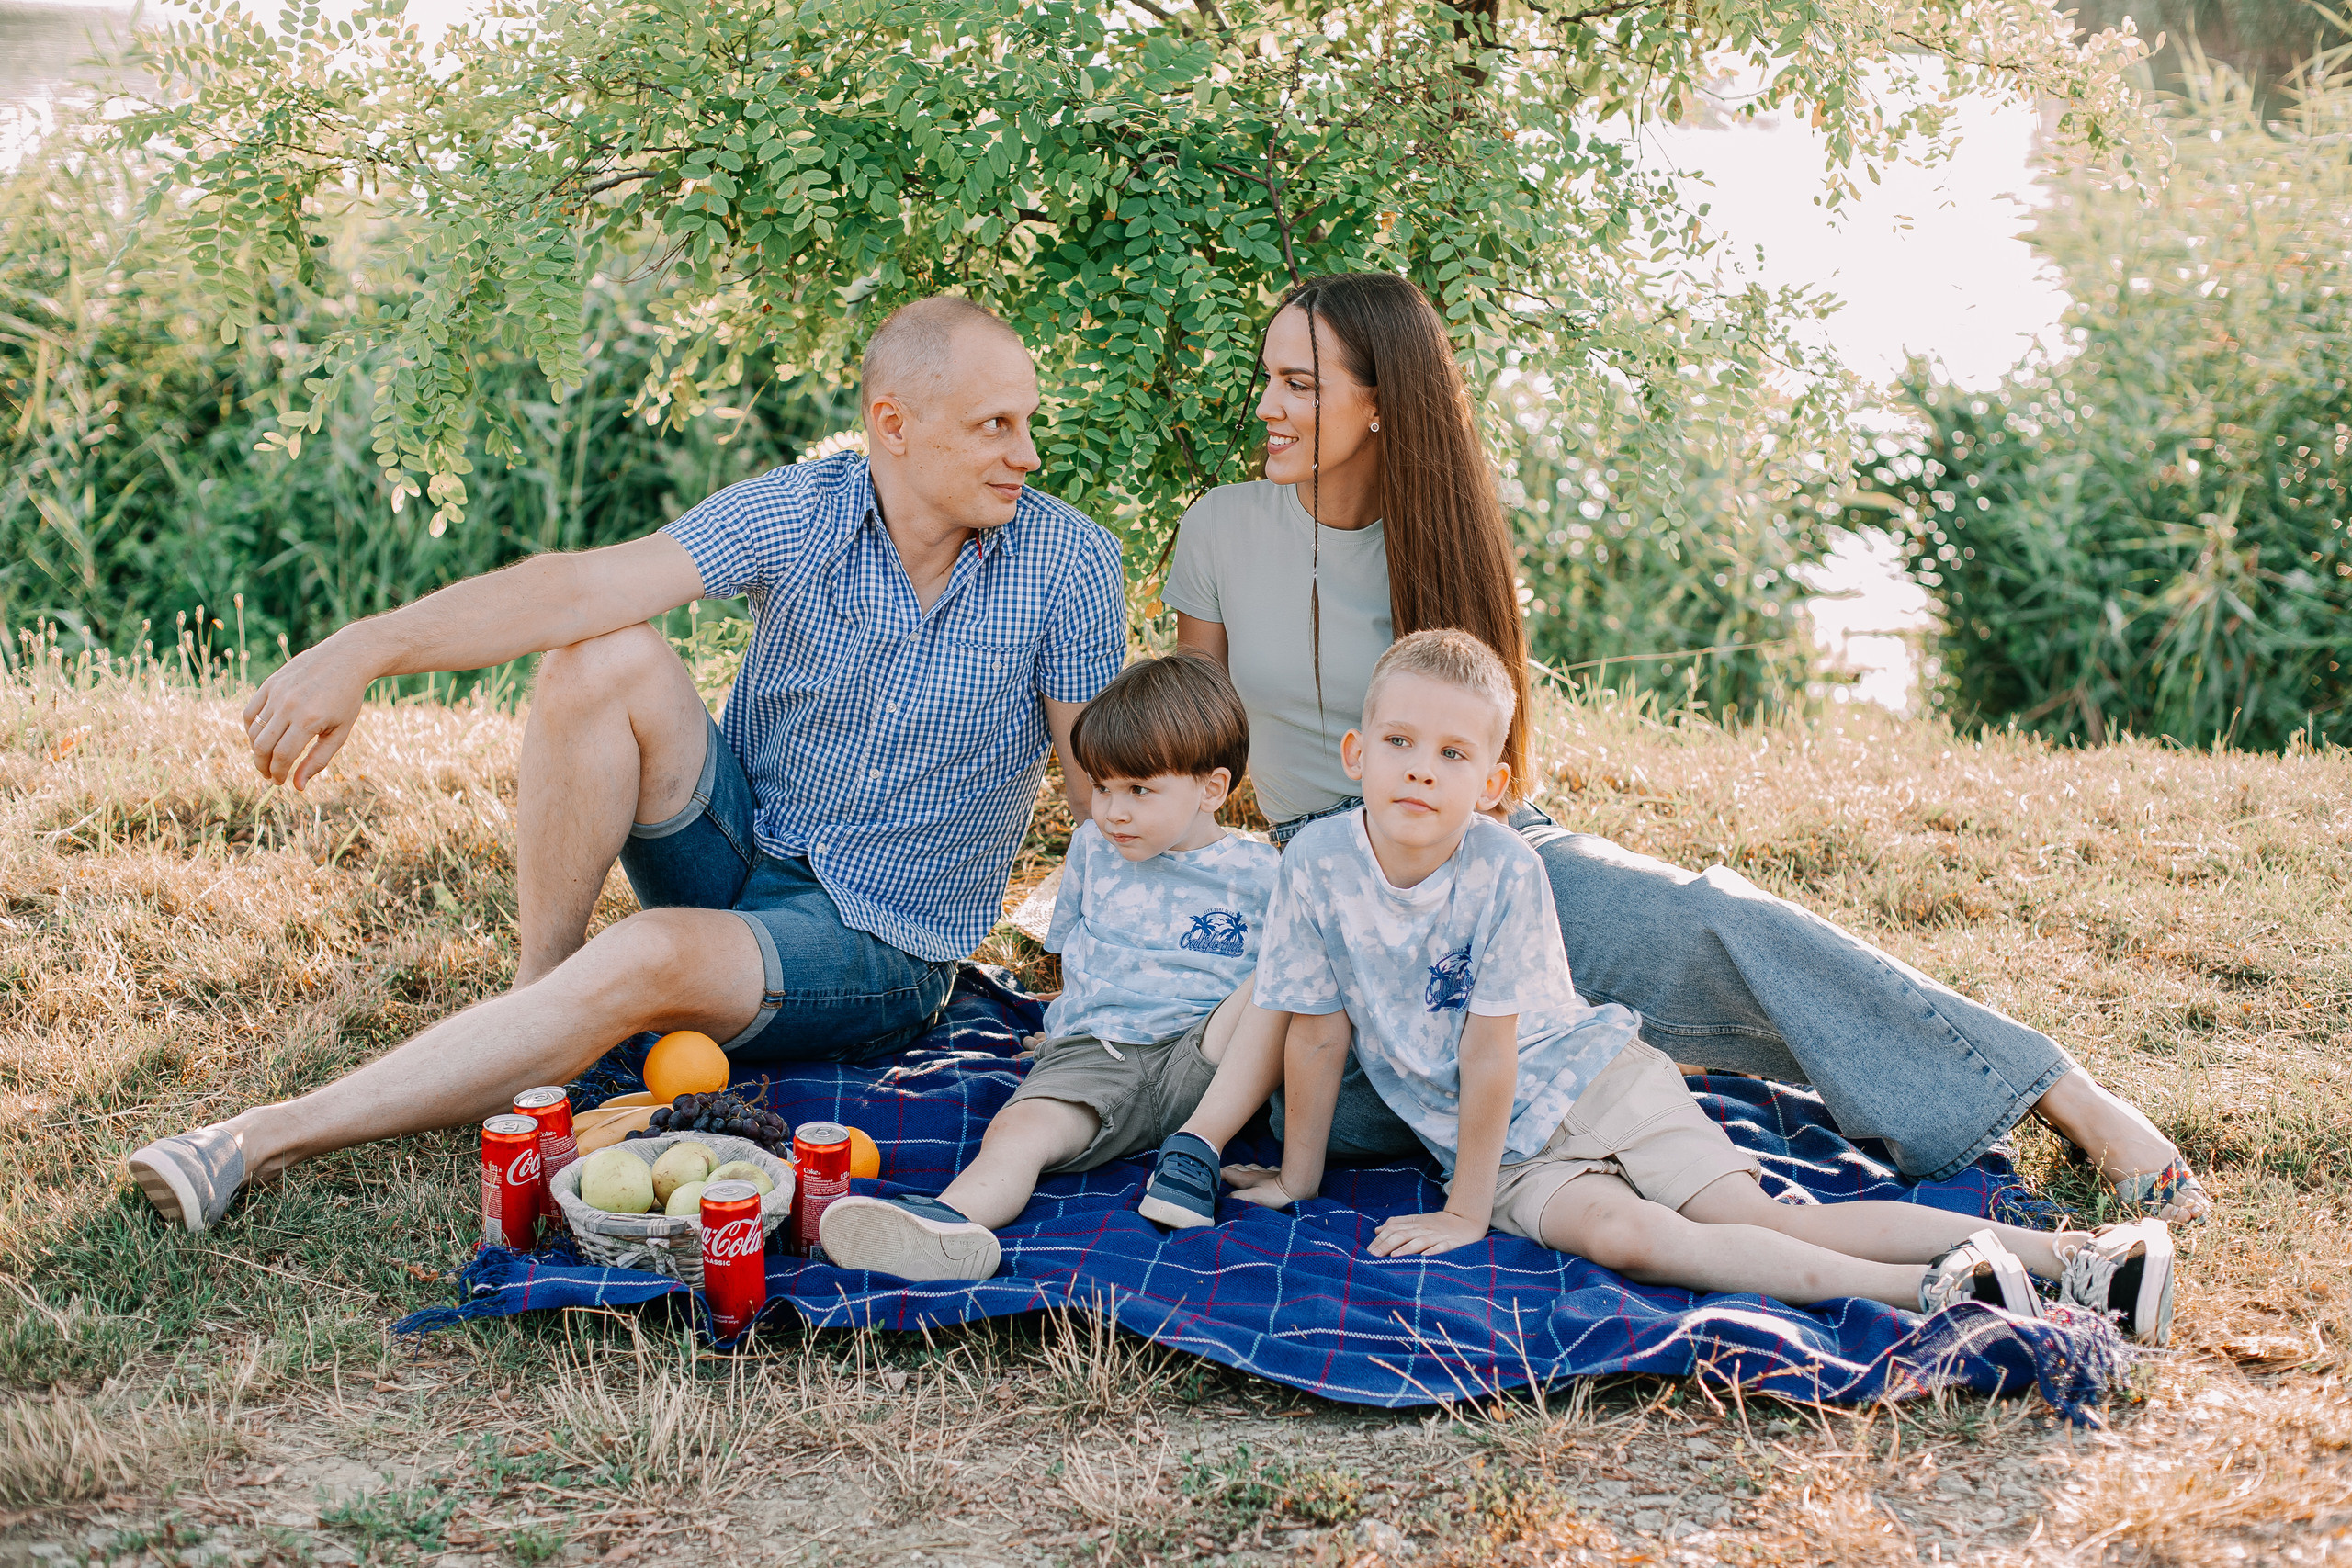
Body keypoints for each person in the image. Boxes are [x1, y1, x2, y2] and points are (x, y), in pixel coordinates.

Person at [1160, 271, 2211, 1222]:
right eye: (1268, 380)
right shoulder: (1218, 530)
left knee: (1705, 917)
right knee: (1334, 1112)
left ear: (1380, 398)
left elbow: (1494, 755)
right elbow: (1198, 748)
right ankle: (1613, 1043)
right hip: (1328, 868)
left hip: (1481, 844)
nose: (1267, 407)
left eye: (1299, 385)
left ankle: (2054, 1092)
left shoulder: (1441, 532)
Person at [126, 296, 1127, 1233]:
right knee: (601, 649)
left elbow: (1104, 801)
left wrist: (1114, 994)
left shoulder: (1068, 562)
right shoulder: (803, 508)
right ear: (893, 424)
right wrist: (365, 647)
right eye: (995, 425)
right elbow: (576, 588)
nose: (1027, 453)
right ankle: (538, 1004)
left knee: (646, 955)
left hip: (878, 939)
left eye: (1027, 422)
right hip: (741, 852)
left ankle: (254, 1142)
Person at [1148, 630, 2176, 1344]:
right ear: (1354, 753)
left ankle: (2077, 1262)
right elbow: (1315, 1036)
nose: (1421, 770)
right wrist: (1298, 1173)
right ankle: (1937, 1290)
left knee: (1773, 1216)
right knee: (1634, 1243)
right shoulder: (1316, 868)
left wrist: (1463, 1215)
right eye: (1400, 744)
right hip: (1507, 1155)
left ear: (1494, 786)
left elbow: (1491, 1051)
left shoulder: (1503, 870)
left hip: (1595, 1085)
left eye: (1454, 753)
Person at [818, 653, 1283, 1280]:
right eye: (1104, 785)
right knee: (1018, 1130)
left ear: (1212, 788)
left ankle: (1193, 1150)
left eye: (1139, 789)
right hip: (1095, 1057)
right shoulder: (1095, 847)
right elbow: (1075, 950)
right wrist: (1062, 1030)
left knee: (1277, 978)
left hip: (1202, 1060)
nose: (1114, 810)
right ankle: (948, 1224)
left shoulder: (1262, 874)